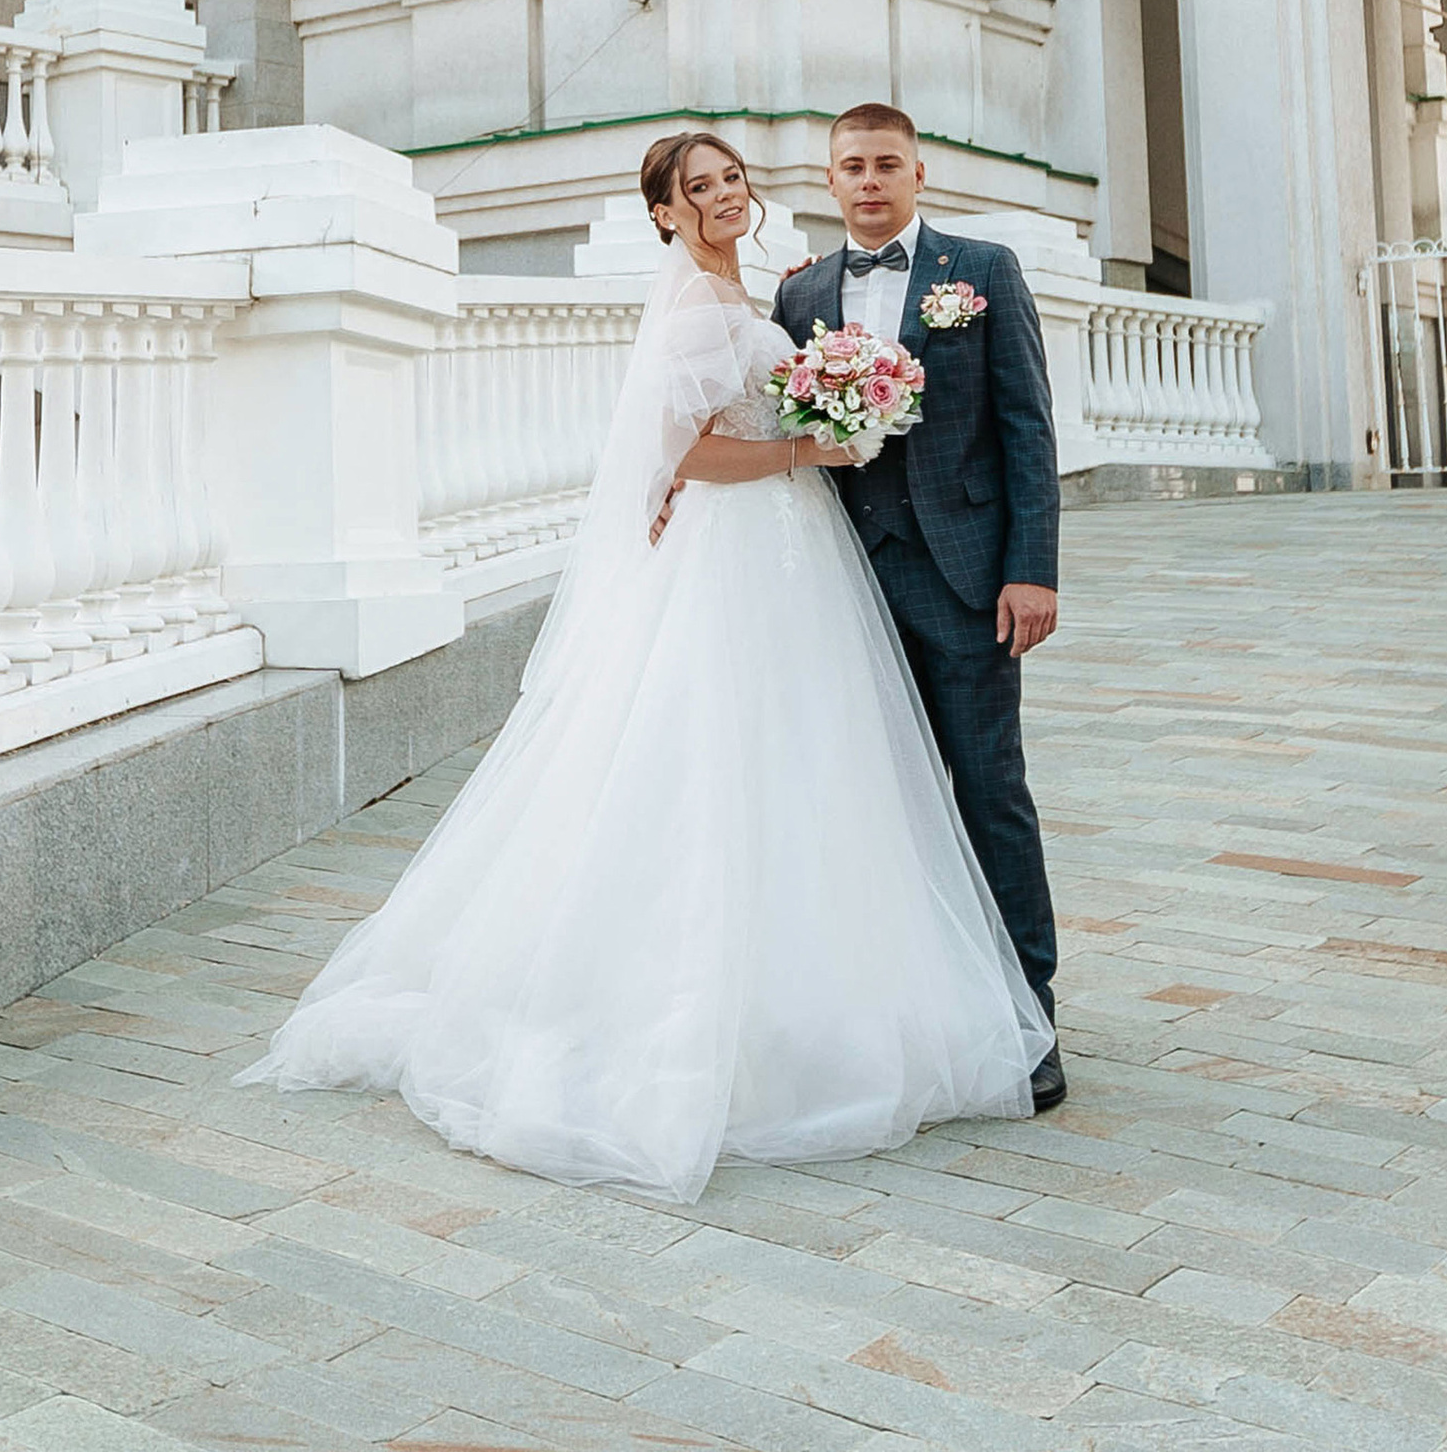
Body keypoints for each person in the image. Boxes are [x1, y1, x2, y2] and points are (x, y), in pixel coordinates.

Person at [244, 130, 1054, 1202]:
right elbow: (684, 447)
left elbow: (1016, 426)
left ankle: (1017, 1010)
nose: (722, 196)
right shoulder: (720, 299)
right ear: (665, 213)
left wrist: (1015, 557)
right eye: (697, 188)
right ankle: (723, 1018)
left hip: (828, 563)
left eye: (729, 180)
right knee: (727, 778)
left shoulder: (795, 286)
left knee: (897, 783)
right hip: (753, 562)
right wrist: (812, 447)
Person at [774, 103, 1066, 1110]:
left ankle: (1029, 1016)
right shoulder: (801, 290)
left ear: (917, 171)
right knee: (871, 803)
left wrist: (1032, 568)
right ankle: (900, 1012)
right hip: (841, 583)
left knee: (988, 791)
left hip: (966, 579)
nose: (867, 180)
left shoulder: (980, 272)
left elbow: (1027, 428)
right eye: (849, 166)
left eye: (884, 164)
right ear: (829, 179)